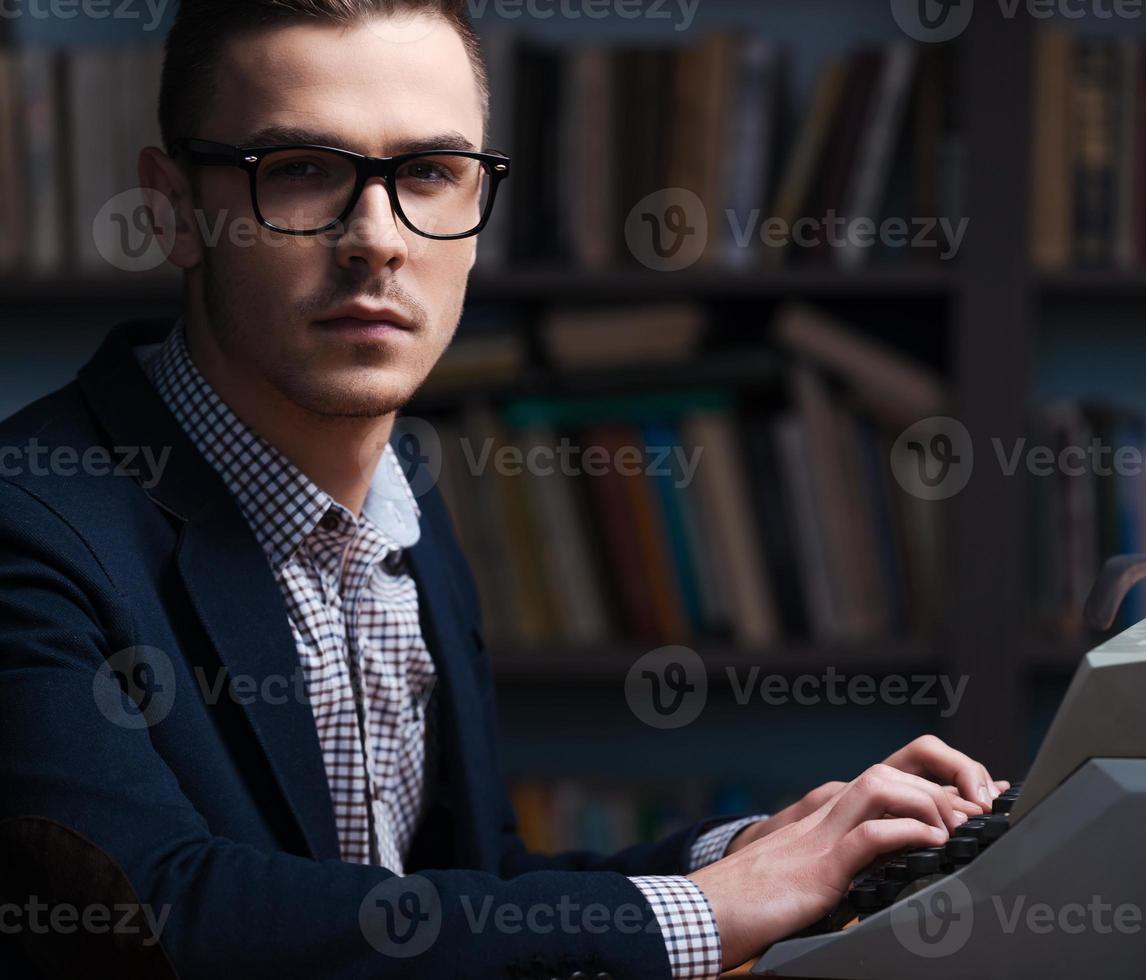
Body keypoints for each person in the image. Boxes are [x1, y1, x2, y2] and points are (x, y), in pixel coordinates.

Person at [0, 2, 1006, 976]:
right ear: (173, 208)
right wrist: (709, 910)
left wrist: (758, 851)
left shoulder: (402, 500)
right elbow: (163, 916)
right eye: (301, 170)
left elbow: (455, 895)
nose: (377, 237)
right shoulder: (28, 523)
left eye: (430, 172)